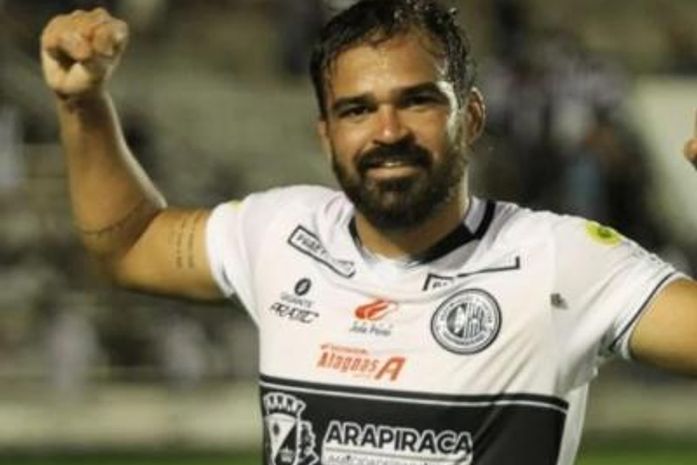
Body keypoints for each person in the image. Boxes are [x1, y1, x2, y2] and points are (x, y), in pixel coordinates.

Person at [40, 1, 697, 464]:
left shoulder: (559, 259)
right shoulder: (279, 232)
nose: (386, 132)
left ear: (470, 117)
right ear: (326, 133)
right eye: (356, 110)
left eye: (417, 100)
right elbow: (130, 243)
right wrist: (82, 103)